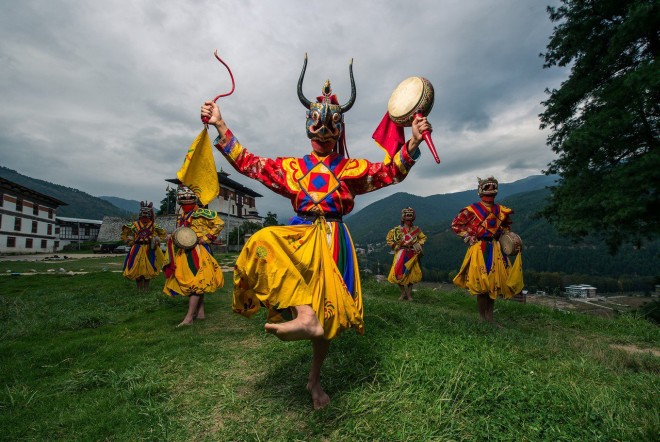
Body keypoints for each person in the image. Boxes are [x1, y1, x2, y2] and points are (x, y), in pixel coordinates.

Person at [200, 55, 432, 409]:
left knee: (328, 320)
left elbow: (390, 172)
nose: (323, 131)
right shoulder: (291, 168)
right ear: (306, 124)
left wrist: (413, 142)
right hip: (300, 236)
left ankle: (314, 378)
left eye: (331, 126)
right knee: (262, 242)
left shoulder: (352, 168)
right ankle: (303, 316)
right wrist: (220, 124)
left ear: (339, 129)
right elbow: (248, 163)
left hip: (334, 241)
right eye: (316, 123)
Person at [451, 176, 523, 323]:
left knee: (493, 285)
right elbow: (456, 225)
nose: (490, 191)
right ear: (480, 190)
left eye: (493, 188)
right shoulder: (471, 210)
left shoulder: (500, 210)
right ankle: (482, 318)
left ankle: (490, 319)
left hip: (496, 248)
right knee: (483, 285)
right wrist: (468, 237)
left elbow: (504, 227)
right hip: (480, 248)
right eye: (487, 188)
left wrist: (505, 236)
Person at [163, 185, 225, 327]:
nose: (186, 201)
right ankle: (201, 312)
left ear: (195, 199)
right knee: (198, 282)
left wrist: (206, 237)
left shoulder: (203, 213)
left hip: (198, 251)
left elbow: (219, 223)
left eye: (189, 199)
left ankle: (189, 318)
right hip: (185, 251)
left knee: (196, 282)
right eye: (183, 199)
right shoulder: (183, 215)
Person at [120, 201, 167, 291]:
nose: (144, 217)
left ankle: (146, 288)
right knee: (137, 267)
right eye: (143, 215)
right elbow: (124, 234)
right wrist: (129, 241)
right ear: (140, 215)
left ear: (150, 215)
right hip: (137, 248)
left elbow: (163, 234)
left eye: (146, 215)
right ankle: (139, 289)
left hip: (149, 249)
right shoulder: (134, 225)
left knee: (148, 267)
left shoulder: (153, 225)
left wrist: (156, 240)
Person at [386, 207, 427, 301]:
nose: (409, 221)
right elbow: (389, 238)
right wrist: (395, 246)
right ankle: (403, 293)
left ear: (412, 219)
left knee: (410, 274)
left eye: (410, 219)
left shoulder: (416, 230)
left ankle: (408, 295)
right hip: (401, 253)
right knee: (398, 273)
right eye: (407, 219)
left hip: (412, 253)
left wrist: (418, 244)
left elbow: (423, 238)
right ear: (403, 219)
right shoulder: (397, 230)